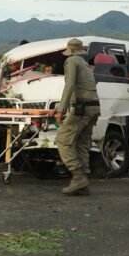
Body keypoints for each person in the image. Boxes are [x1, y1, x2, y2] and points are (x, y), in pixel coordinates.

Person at [53, 38, 99, 196]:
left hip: (82, 107)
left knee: (63, 140)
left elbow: (70, 84)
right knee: (82, 143)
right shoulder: (85, 64)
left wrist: (61, 109)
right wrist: (60, 107)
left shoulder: (71, 60)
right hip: (94, 106)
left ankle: (78, 176)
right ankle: (83, 181)